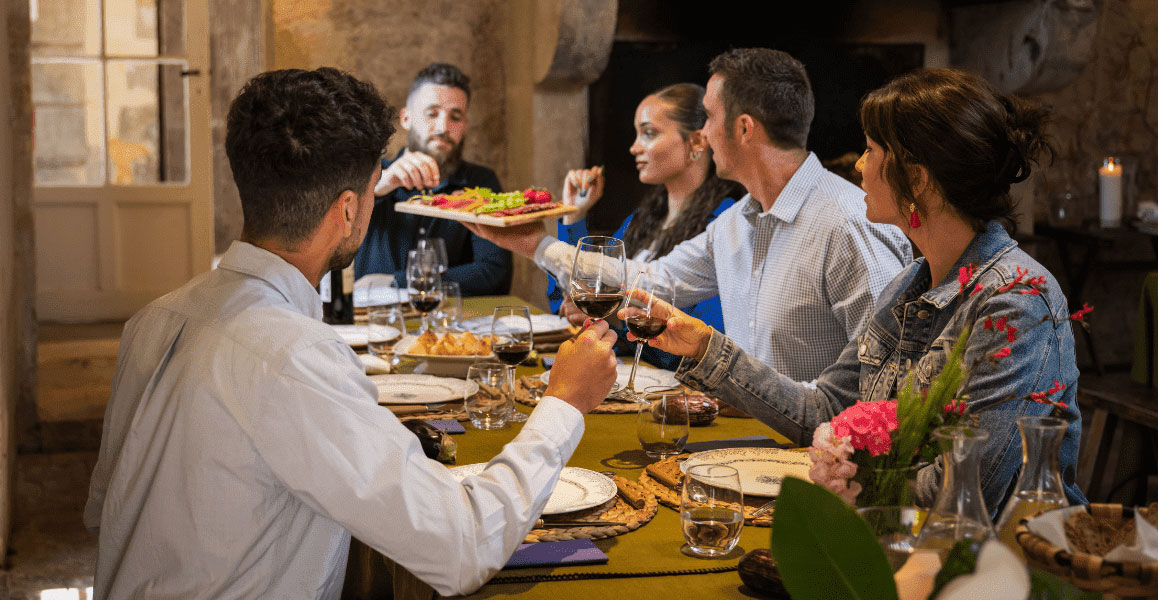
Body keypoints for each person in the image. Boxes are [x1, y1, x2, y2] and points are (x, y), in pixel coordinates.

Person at [84, 68, 619, 599]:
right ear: (347, 210)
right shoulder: (295, 356)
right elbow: (463, 546)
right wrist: (565, 400)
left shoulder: (154, 319)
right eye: (373, 185)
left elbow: (105, 506)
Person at [631, 68, 1087, 515]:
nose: (860, 166)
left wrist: (848, 478)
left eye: (871, 150)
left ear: (918, 178)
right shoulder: (909, 284)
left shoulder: (1014, 303)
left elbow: (971, 490)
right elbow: (825, 409)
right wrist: (706, 347)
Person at [468, 48, 912, 383]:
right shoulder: (737, 222)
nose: (704, 133)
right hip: (746, 441)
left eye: (710, 118)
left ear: (743, 129)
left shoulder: (847, 223)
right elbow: (648, 281)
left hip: (816, 466)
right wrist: (532, 243)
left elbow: (892, 378)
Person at [548, 83, 744, 369]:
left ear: (698, 142)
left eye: (649, 133)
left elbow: (701, 349)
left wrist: (616, 319)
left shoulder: (724, 225)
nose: (634, 147)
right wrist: (574, 216)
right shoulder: (641, 219)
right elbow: (566, 298)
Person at [354, 62, 511, 296]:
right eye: (432, 113)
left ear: (465, 126)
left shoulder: (481, 183)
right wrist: (378, 186)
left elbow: (495, 273)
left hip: (451, 324)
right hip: (372, 326)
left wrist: (398, 281)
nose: (443, 127)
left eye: (455, 117)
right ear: (406, 118)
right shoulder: (366, 176)